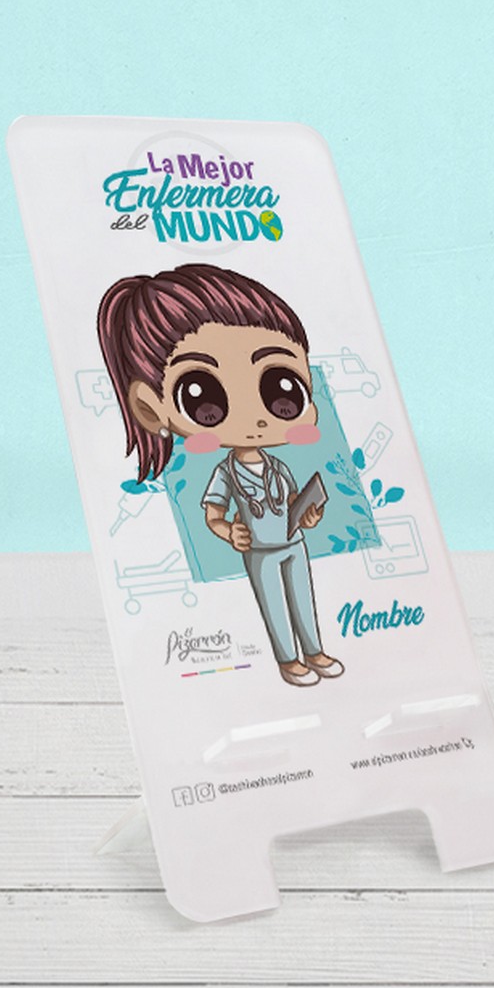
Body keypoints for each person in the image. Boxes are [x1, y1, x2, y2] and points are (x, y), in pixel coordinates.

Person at [97, 262, 344, 687]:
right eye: (204, 399)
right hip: (260, 551)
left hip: (294, 543)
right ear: (150, 409)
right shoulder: (226, 473)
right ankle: (288, 660)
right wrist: (229, 531)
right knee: (274, 604)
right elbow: (213, 513)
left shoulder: (277, 467)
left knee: (303, 597)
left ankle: (315, 651)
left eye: (282, 389)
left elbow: (291, 502)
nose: (255, 418)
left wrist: (308, 514)